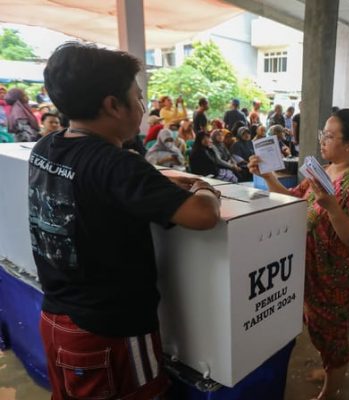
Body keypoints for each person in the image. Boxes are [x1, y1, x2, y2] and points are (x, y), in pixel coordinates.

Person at [33, 42, 221, 400]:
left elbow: (94, 185)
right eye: (138, 98)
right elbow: (203, 216)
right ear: (112, 105)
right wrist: (203, 187)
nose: (142, 107)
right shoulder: (117, 165)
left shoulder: (49, 146)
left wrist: (154, 180)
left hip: (56, 319)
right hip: (110, 332)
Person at [248, 108, 349, 400]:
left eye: (330, 136)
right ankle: (331, 368)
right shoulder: (323, 170)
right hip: (313, 273)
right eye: (323, 134)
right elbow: (294, 199)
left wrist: (332, 207)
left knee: (333, 339)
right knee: (321, 333)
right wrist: (268, 176)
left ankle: (330, 391)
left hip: (338, 283)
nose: (322, 140)